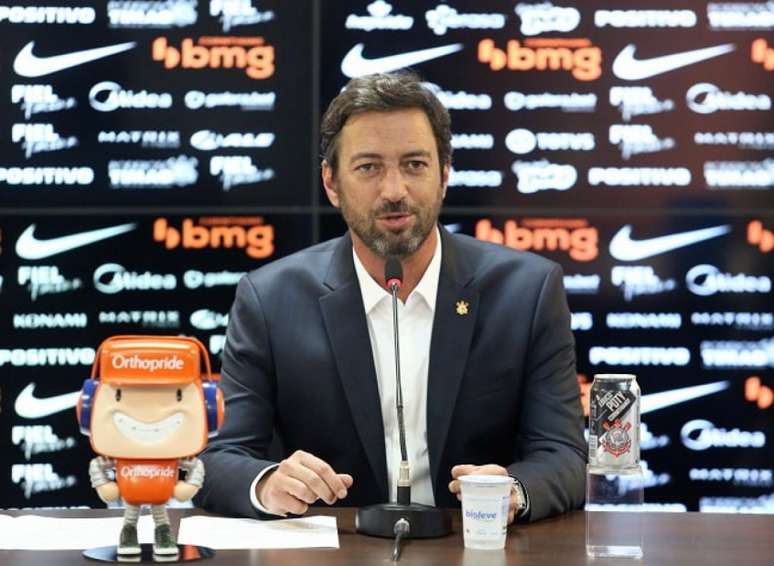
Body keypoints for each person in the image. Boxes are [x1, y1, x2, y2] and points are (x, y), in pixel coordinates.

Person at [196, 71, 586, 523]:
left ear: (444, 174)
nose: (394, 191)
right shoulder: (270, 299)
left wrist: (514, 491)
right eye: (368, 167)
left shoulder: (527, 291)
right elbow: (219, 459)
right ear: (331, 183)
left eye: (414, 164)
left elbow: (563, 456)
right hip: (337, 554)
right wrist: (267, 483)